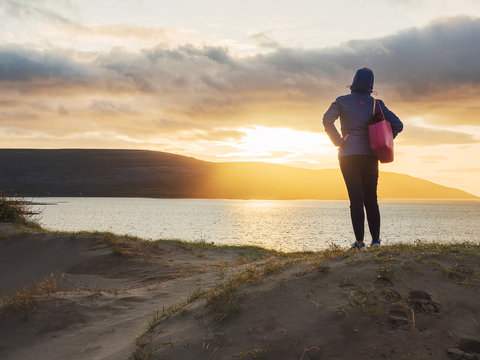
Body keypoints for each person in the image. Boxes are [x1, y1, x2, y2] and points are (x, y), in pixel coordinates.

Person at [323, 68, 403, 250]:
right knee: (371, 199)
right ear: (371, 85)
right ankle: (376, 242)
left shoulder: (342, 101)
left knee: (356, 199)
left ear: (354, 82)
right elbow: (398, 125)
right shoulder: (377, 104)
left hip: (348, 155)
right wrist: (382, 142)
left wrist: (338, 141)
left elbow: (327, 120)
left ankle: (359, 243)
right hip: (370, 156)